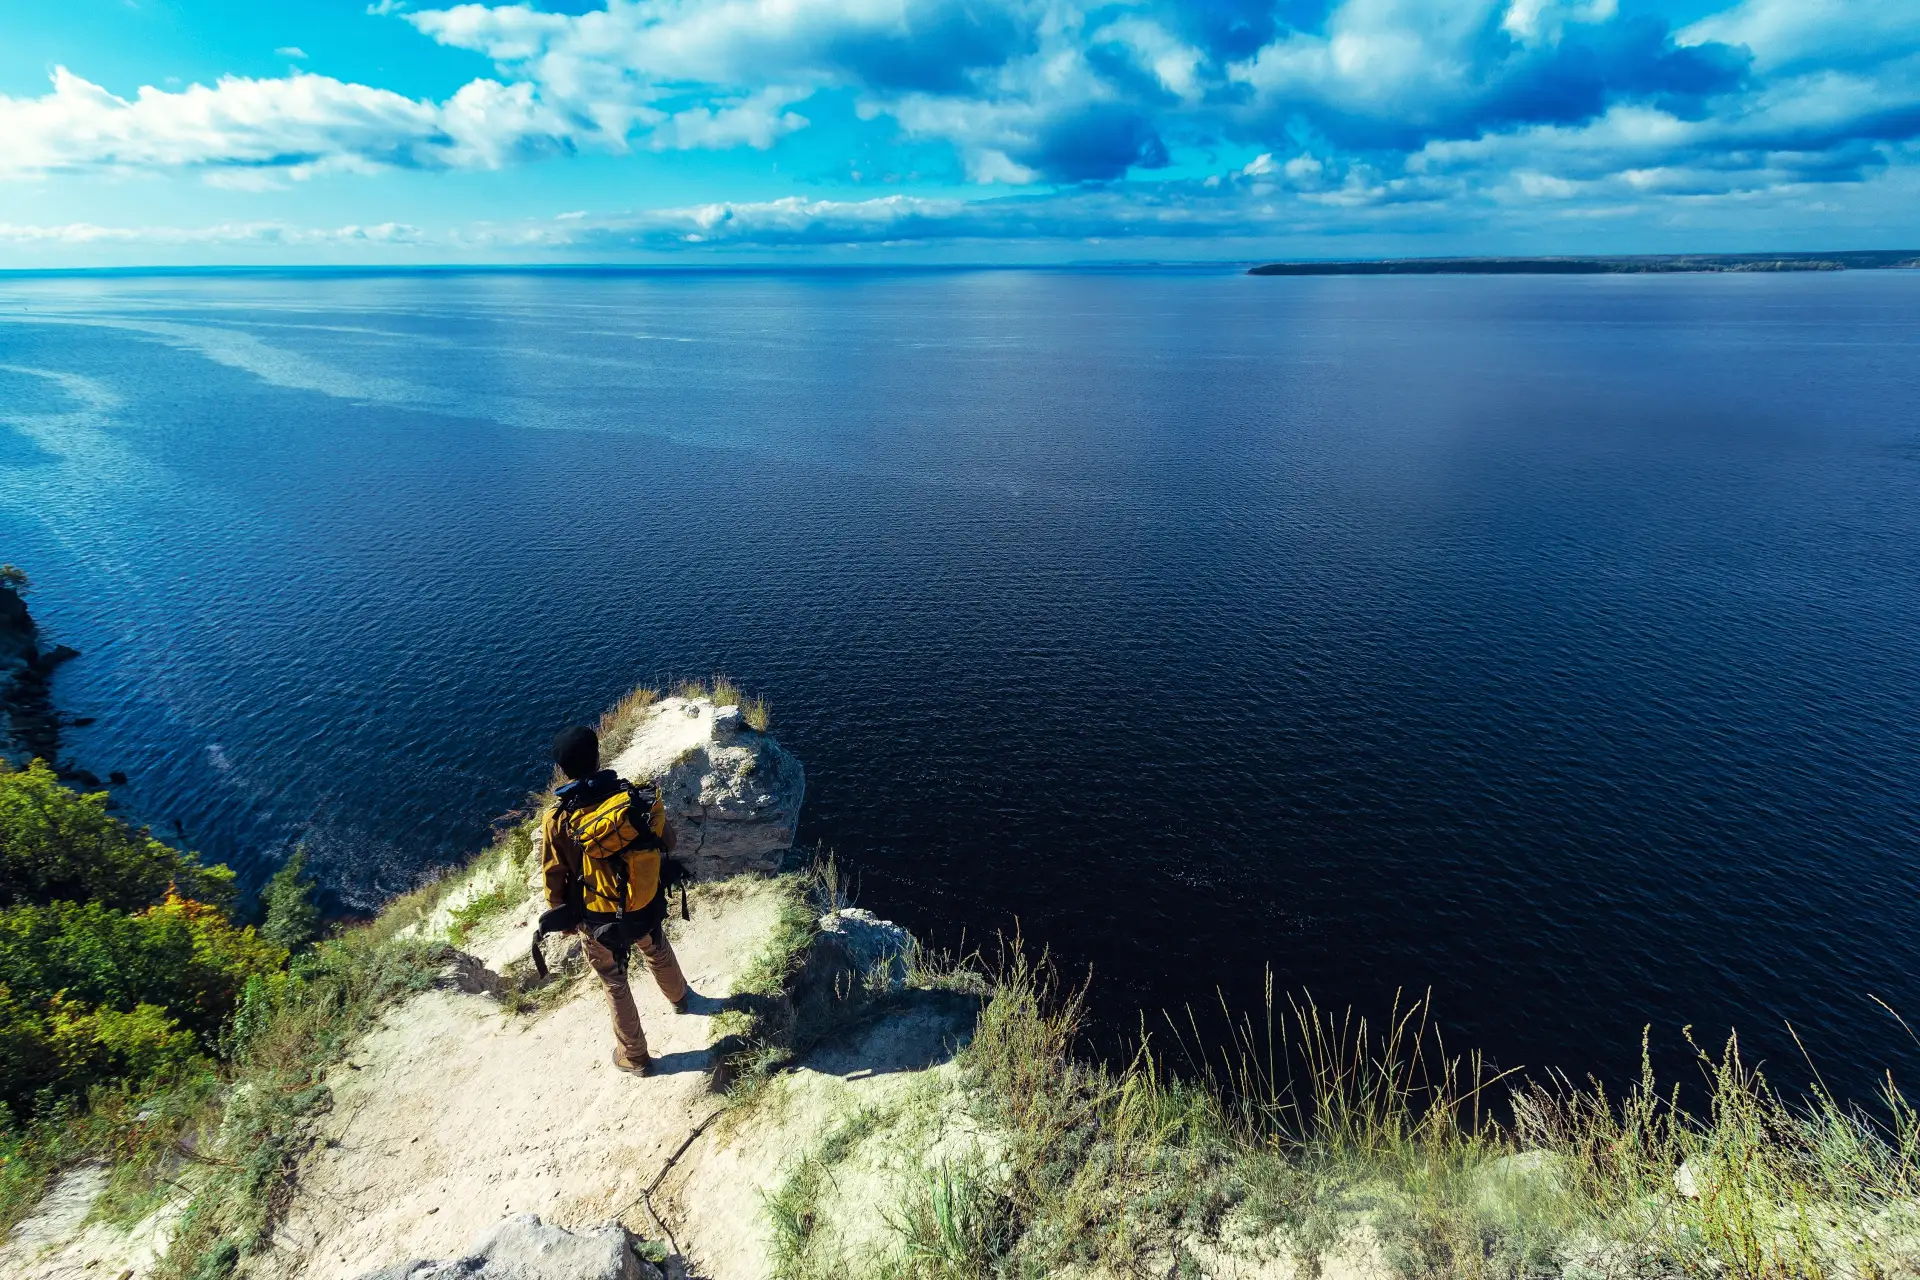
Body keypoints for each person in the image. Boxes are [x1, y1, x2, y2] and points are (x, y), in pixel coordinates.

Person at [541, 724, 690, 1075]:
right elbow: (668, 843)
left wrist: (560, 915)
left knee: (614, 981)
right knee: (656, 949)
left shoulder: (557, 819)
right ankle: (680, 999)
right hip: (642, 902)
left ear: (564, 771)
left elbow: (554, 874)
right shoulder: (632, 798)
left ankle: (635, 1056)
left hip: (595, 919)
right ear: (598, 756)